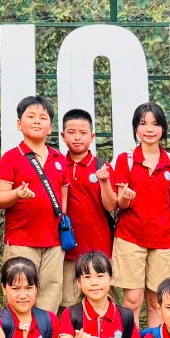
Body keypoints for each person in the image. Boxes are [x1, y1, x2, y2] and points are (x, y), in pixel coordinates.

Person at [104, 102, 170, 327]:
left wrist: (169, 227)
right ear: (136, 128)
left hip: (162, 240)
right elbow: (119, 203)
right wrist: (126, 198)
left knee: (156, 299)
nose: (149, 129)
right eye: (143, 123)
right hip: (130, 237)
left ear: (163, 128)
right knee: (132, 299)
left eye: (155, 124)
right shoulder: (125, 160)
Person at [0, 96, 68, 313]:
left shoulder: (59, 159)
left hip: (54, 242)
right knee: (19, 293)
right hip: (21, 240)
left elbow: (63, 201)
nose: (37, 121)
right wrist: (17, 194)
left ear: (50, 127)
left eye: (43, 118)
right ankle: (18, 334)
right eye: (31, 116)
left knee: (50, 294)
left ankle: (45, 335)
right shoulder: (11, 158)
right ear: (19, 124)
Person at [57, 110, 114, 308]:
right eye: (71, 132)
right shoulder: (57, 165)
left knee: (101, 301)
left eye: (83, 133)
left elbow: (111, 205)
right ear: (63, 136)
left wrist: (104, 181)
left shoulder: (102, 166)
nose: (77, 137)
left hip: (99, 246)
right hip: (67, 249)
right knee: (67, 303)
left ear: (92, 136)